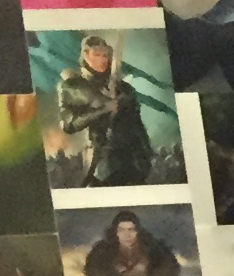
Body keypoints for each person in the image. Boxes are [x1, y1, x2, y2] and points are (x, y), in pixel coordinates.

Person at [50, 35, 158, 187]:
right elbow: (69, 125)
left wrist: (147, 151)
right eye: (97, 55)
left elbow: (136, 123)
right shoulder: (74, 86)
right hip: (102, 164)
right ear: (86, 56)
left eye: (105, 55)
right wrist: (104, 109)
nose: (102, 59)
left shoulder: (124, 88)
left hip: (134, 161)